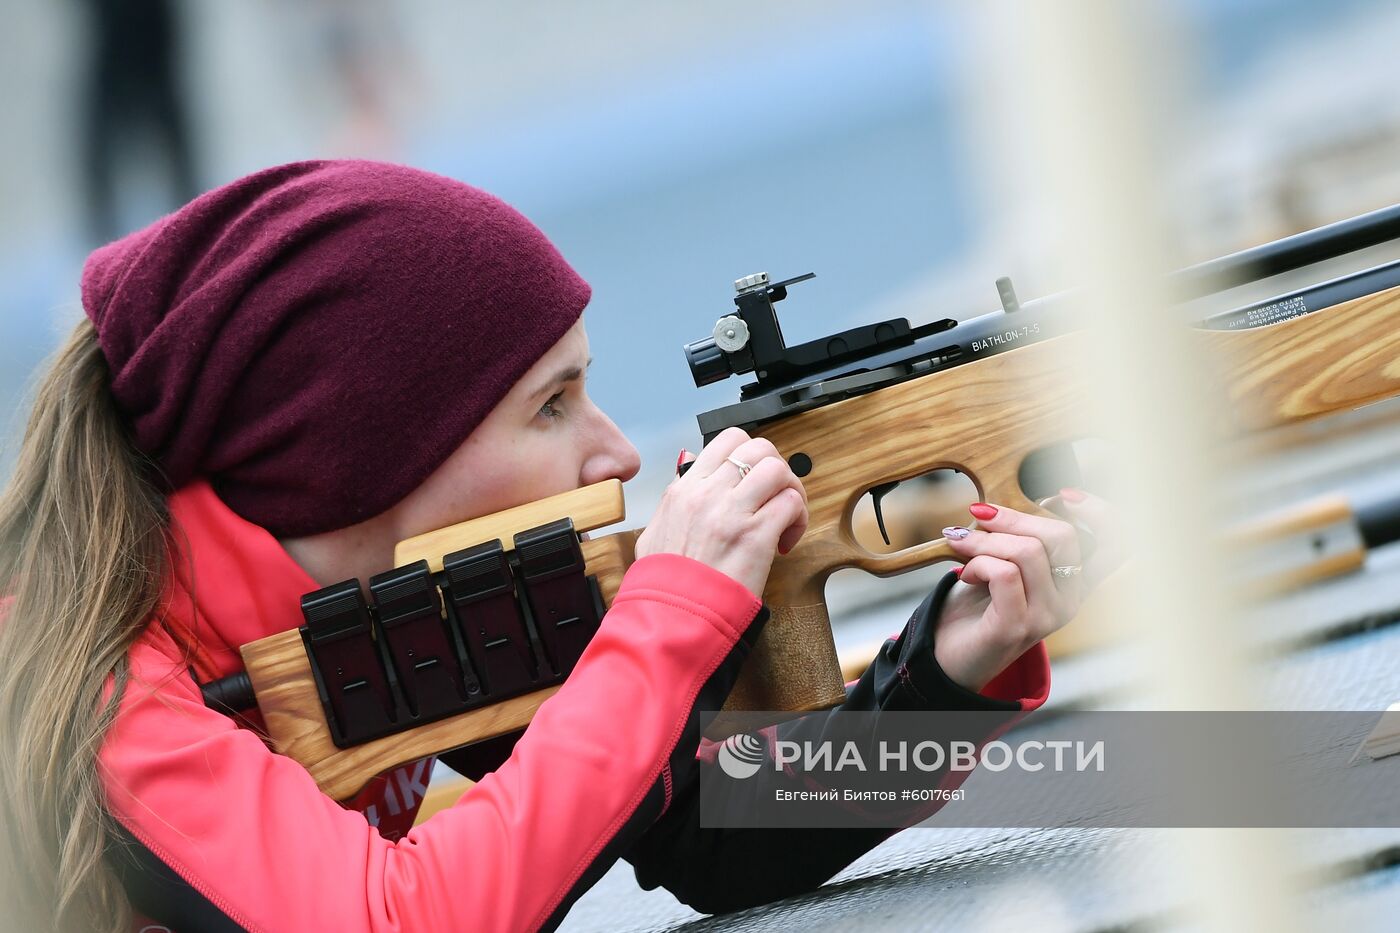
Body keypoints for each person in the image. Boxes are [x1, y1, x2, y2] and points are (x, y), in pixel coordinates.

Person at [0, 160, 1111, 932]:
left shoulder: (406, 598)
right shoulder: (89, 683)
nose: (616, 451)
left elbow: (706, 832)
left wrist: (946, 669)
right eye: (551, 405)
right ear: (366, 455)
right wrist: (667, 622)